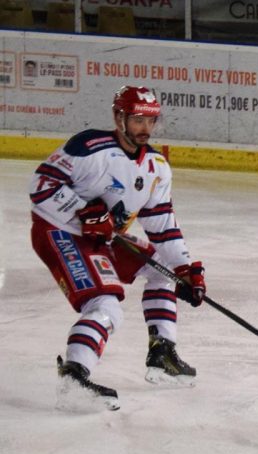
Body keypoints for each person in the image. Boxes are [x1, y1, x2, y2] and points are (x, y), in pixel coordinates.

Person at [28, 86, 208, 411]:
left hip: (104, 237)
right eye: (137, 119)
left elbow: (162, 224)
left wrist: (184, 268)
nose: (145, 128)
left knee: (162, 271)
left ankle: (162, 354)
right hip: (60, 231)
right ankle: (74, 376)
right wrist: (81, 210)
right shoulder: (89, 148)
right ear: (119, 117)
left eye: (150, 121)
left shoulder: (157, 167)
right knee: (105, 305)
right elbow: (41, 185)